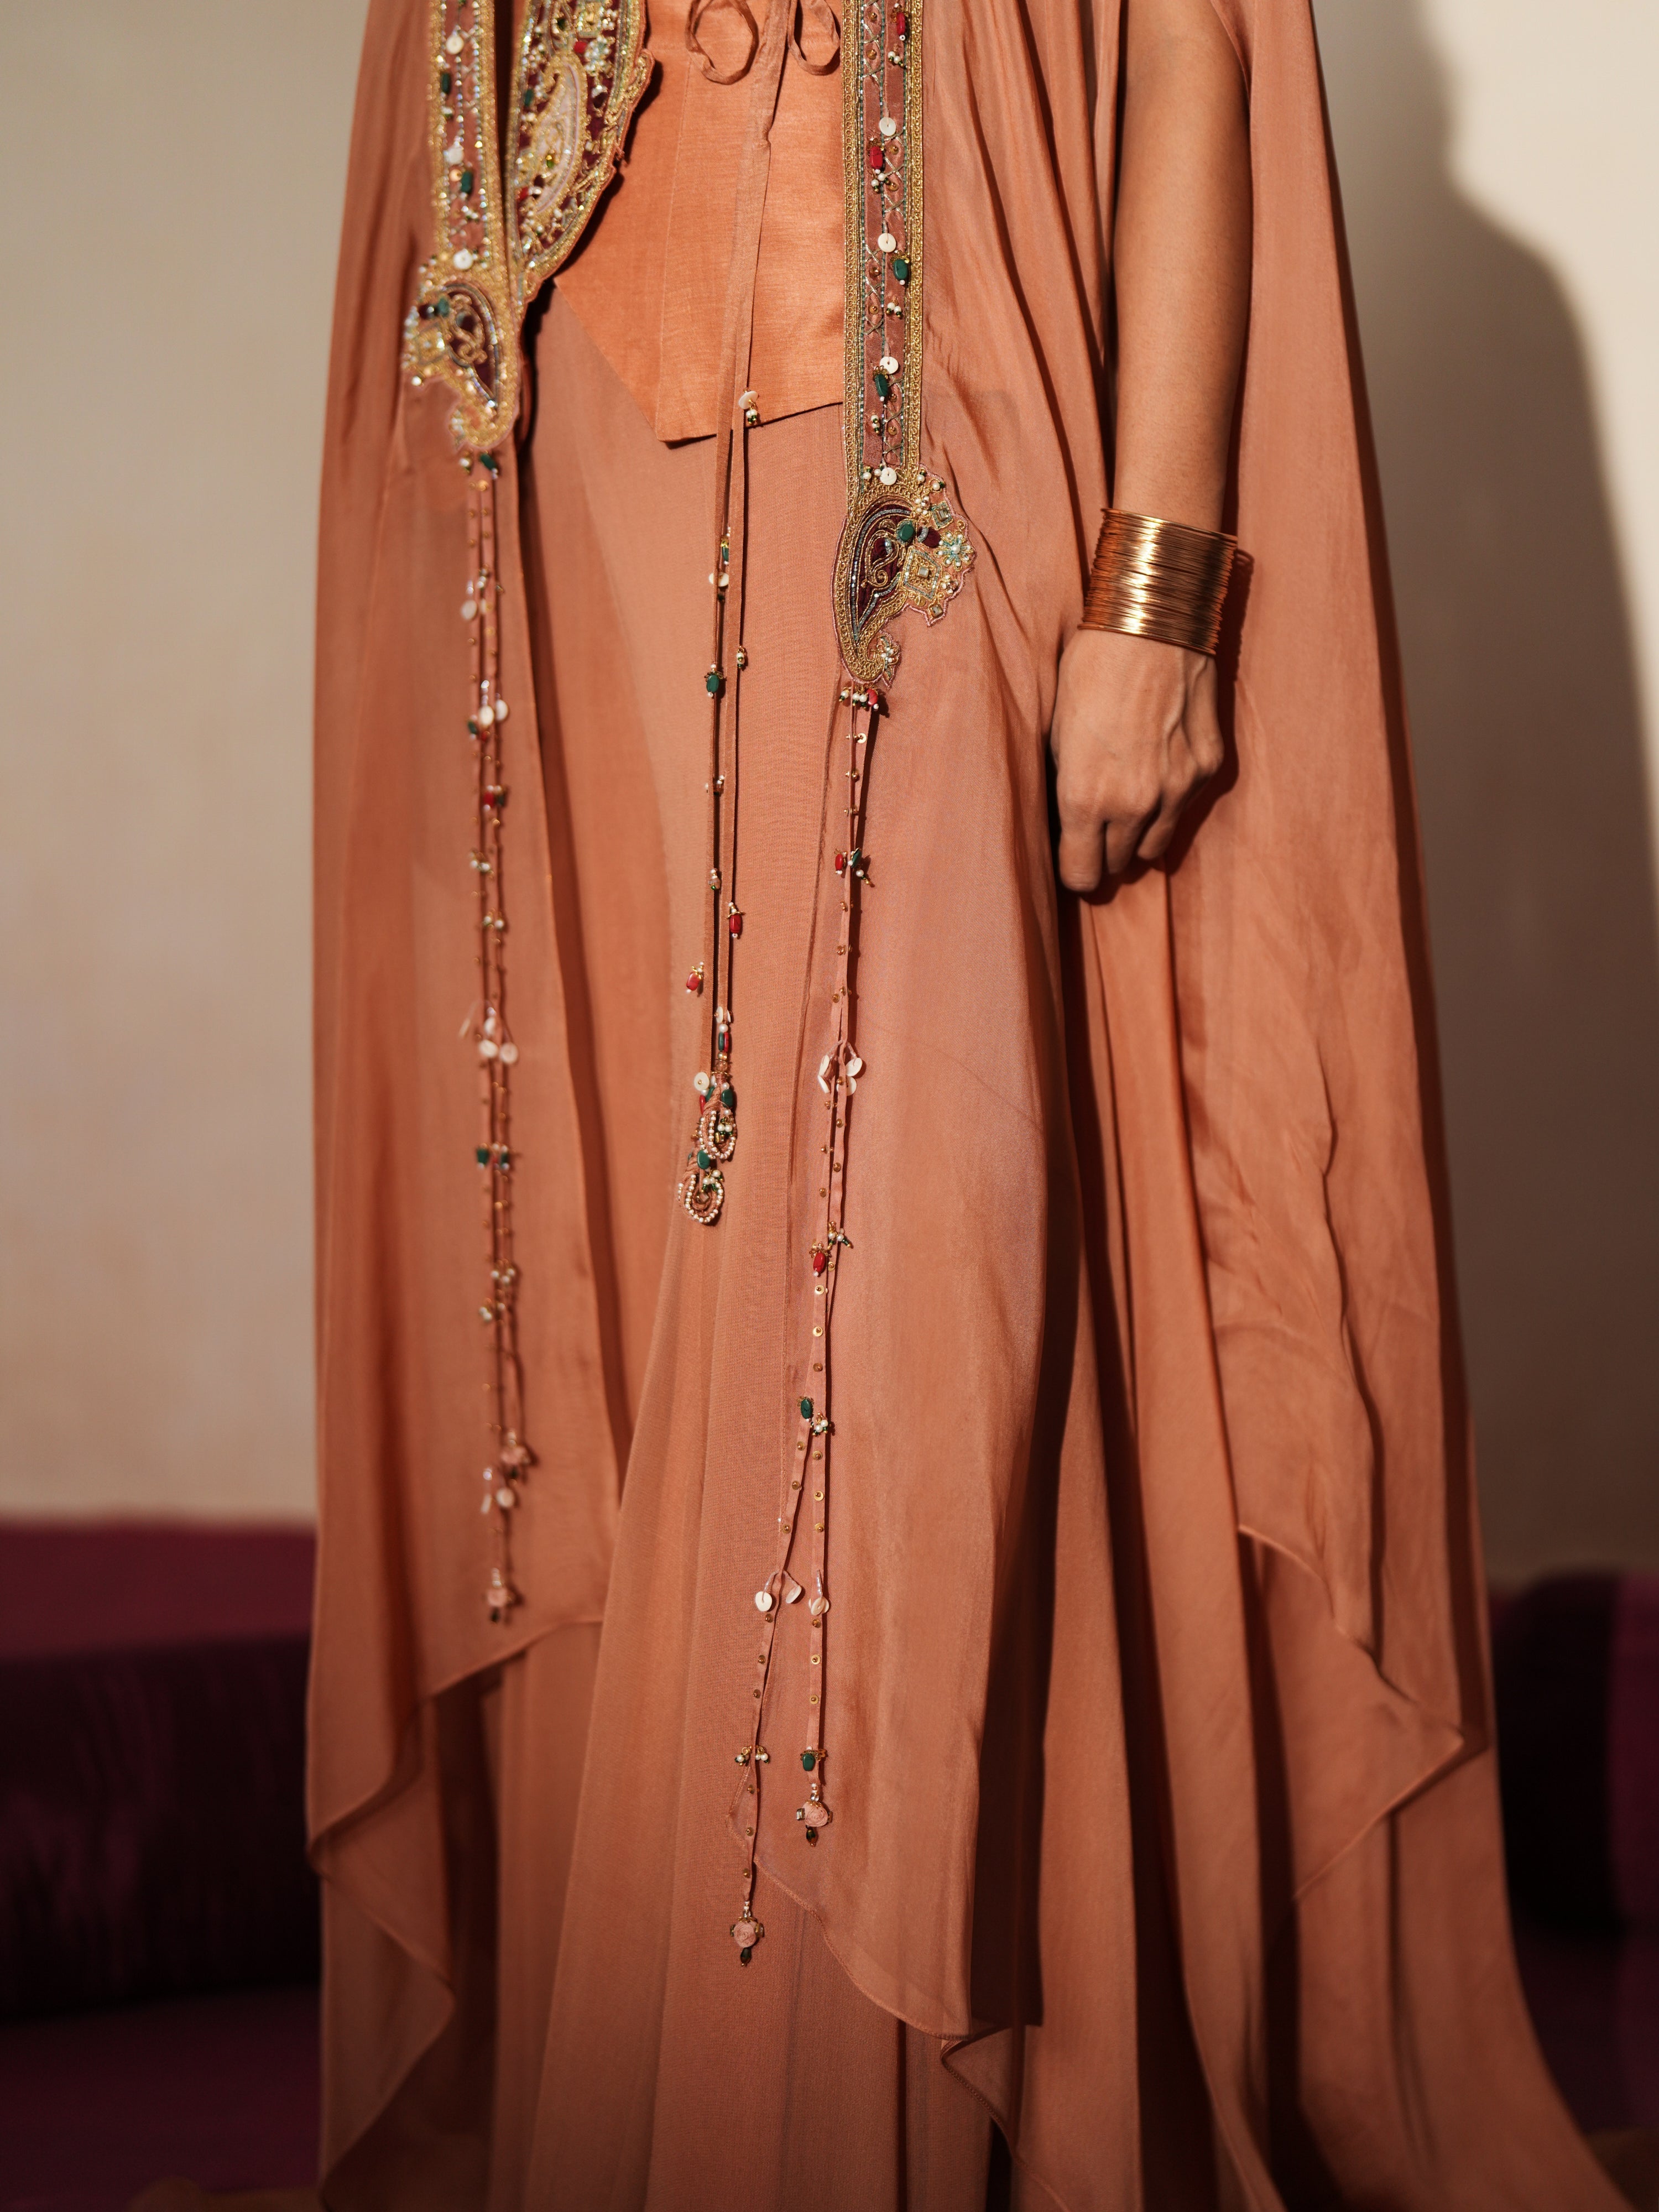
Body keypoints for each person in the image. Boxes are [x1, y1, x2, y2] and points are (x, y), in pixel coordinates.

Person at [306, 0, 1637, 2203]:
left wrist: (1160, 584)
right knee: (670, 1257)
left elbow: (1200, 46)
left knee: (899, 1246)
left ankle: (886, 2114)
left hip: (945, 429)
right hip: (573, 430)